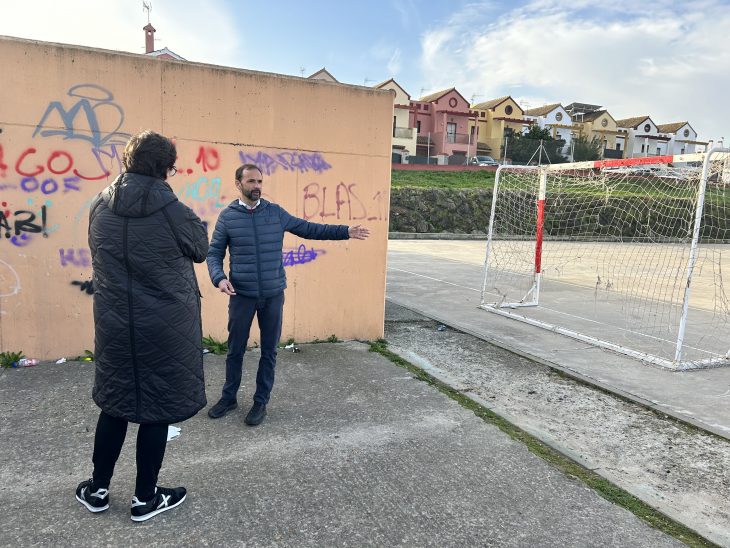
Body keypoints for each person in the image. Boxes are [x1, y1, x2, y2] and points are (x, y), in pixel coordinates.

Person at [75, 130, 209, 522]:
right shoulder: (175, 211)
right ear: (167, 168)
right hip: (165, 327)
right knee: (156, 407)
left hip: (115, 323)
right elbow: (200, 248)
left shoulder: (99, 205)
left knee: (115, 404)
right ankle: (145, 498)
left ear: (128, 161)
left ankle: (97, 489)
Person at [206, 163, 369, 426]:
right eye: (251, 181)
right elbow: (214, 253)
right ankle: (229, 398)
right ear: (238, 184)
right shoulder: (228, 217)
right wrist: (219, 278)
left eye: (260, 181)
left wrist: (345, 231)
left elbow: (310, 229)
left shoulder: (275, 213)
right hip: (241, 295)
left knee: (269, 351)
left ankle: (261, 402)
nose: (257, 186)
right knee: (235, 350)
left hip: (272, 295)